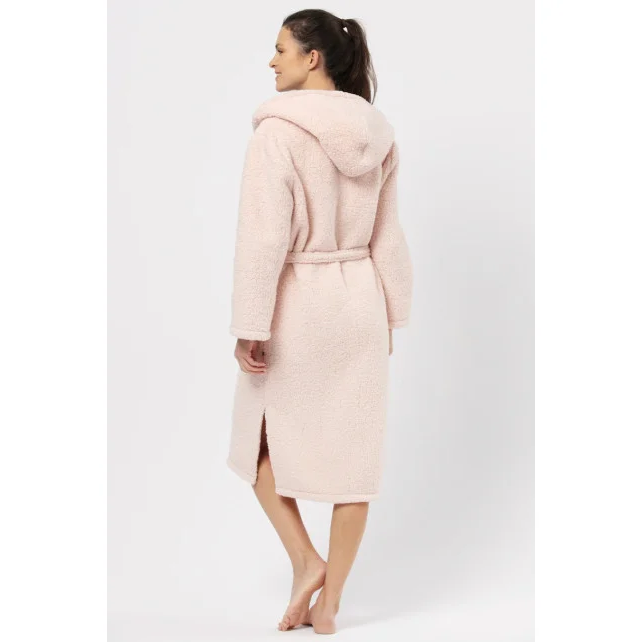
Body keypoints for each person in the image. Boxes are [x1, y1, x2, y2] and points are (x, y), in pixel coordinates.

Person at [227, 9, 413, 635]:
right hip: (360, 303)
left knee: (256, 443)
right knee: (354, 461)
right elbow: (388, 236)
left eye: (281, 49)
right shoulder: (378, 136)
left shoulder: (277, 134)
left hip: (298, 306)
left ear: (313, 58)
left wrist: (250, 323)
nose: (271, 61)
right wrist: (392, 315)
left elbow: (263, 239)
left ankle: (307, 563)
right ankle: (330, 605)